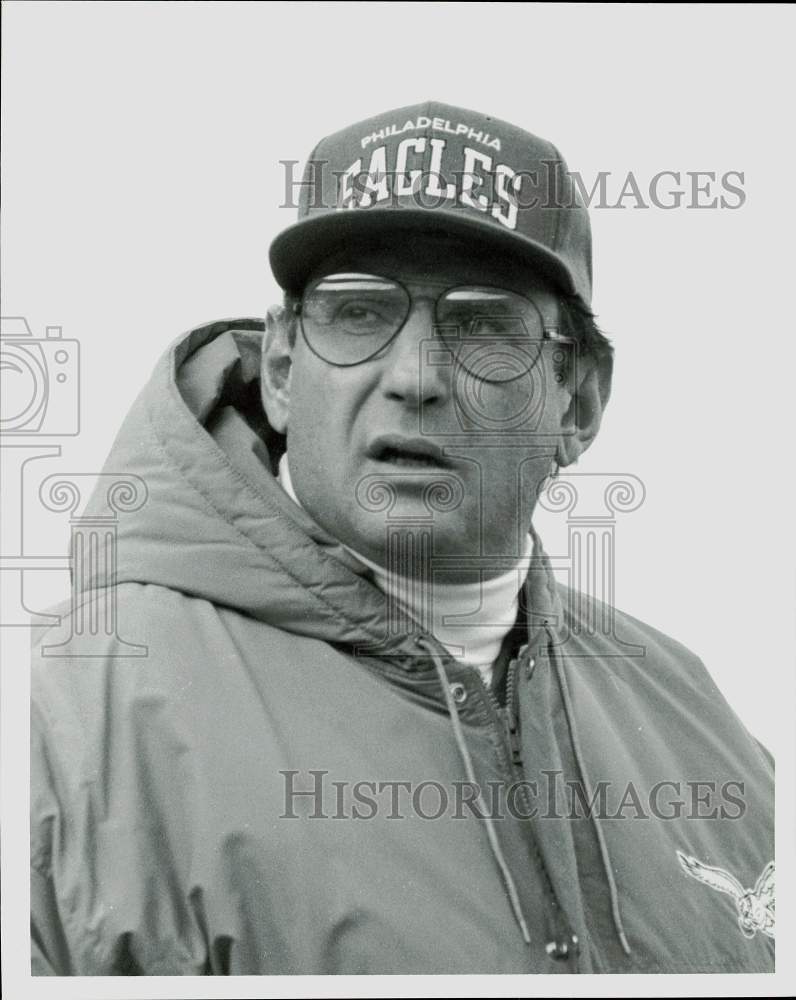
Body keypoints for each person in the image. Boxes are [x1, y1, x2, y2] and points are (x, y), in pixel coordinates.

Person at [30, 101, 774, 975]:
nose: (415, 377)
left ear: (578, 402)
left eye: (484, 323)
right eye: (356, 313)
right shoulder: (62, 726)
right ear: (279, 370)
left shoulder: (701, 724)